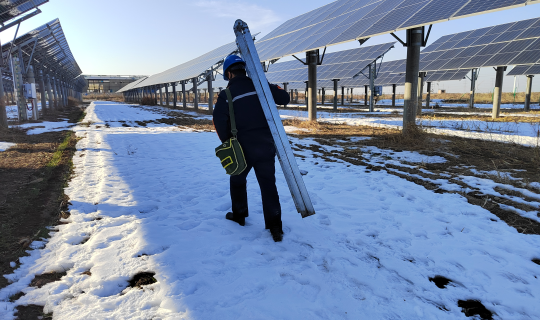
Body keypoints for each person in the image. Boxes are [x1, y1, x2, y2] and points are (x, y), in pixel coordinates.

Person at [212, 55, 290, 242]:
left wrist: (228, 142)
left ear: (229, 73)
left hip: (241, 148)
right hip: (265, 145)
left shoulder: (226, 95)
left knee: (237, 180)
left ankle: (239, 215)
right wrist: (266, 83)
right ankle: (275, 228)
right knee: (268, 184)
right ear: (244, 70)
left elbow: (219, 122)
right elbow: (284, 98)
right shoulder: (261, 86)